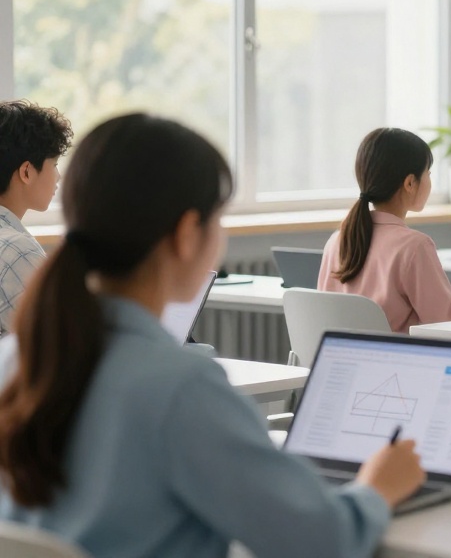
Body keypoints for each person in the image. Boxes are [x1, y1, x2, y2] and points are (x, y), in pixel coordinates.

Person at [0, 114, 426, 557]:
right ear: (186, 234)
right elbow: (322, 542)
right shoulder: (182, 387)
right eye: (218, 220)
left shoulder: (14, 360)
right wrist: (377, 488)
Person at [319, 128, 451, 333]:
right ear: (410, 183)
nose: (429, 182)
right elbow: (447, 324)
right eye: (428, 174)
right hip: (396, 361)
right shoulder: (415, 246)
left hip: (347, 360)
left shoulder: (337, 241)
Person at [0, 100, 72, 336]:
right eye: (54, 163)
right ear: (27, 172)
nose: (58, 176)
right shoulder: (16, 250)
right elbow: (62, 345)